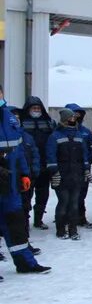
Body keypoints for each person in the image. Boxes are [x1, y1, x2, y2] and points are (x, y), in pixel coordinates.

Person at [0, 86, 50, 277]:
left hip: (10, 183)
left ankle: (25, 263)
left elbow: (19, 149)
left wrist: (24, 173)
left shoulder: (10, 118)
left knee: (16, 225)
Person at [46, 108, 91, 240]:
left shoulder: (78, 135)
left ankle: (73, 229)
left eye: (74, 118)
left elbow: (84, 153)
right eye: (71, 118)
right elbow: (50, 155)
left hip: (76, 174)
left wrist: (86, 168)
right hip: (62, 175)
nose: (73, 120)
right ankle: (61, 230)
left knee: (75, 203)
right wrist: (54, 172)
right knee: (64, 202)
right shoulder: (55, 136)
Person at [20, 96, 56, 230]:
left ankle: (38, 219)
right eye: (33, 108)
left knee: (43, 194)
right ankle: (25, 220)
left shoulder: (49, 123)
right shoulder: (21, 123)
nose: (36, 110)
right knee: (26, 195)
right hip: (27, 166)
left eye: (38, 108)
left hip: (44, 164)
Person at [63, 103, 92, 227]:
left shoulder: (85, 132)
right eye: (74, 114)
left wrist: (87, 162)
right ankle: (65, 217)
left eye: (79, 115)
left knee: (81, 194)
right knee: (66, 194)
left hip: (83, 169)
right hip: (66, 169)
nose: (76, 117)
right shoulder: (61, 132)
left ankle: (81, 217)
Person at [9, 106, 39, 230]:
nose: (16, 120)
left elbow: (34, 154)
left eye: (18, 118)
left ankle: (24, 234)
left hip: (24, 177)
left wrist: (33, 171)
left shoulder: (26, 137)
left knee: (25, 206)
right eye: (13, 118)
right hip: (7, 178)